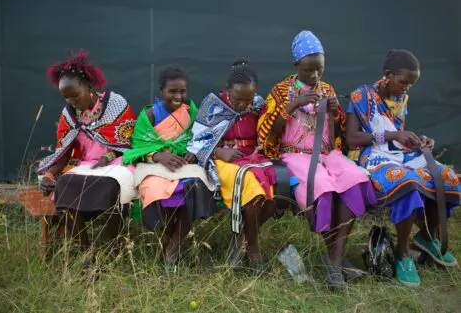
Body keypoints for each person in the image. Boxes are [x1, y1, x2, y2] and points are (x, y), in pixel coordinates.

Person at [257, 31, 375, 287]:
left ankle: (334, 257)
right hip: (295, 157)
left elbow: (338, 131)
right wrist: (292, 104)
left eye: (319, 70)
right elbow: (267, 131)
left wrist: (334, 114)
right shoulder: (280, 91)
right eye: (309, 71)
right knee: (322, 186)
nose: (315, 76)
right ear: (295, 66)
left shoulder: (327, 89)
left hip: (326, 154)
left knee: (355, 178)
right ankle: (336, 261)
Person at [346, 49, 460, 286]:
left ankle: (427, 238)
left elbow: (398, 133)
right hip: (371, 154)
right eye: (404, 82)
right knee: (406, 181)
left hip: (398, 152)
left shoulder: (401, 99)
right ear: (388, 75)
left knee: (448, 176)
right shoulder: (361, 96)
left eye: (412, 84)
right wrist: (393, 134)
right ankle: (402, 253)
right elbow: (352, 139)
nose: (407, 88)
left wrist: (418, 140)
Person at [38, 50, 137, 260]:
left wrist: (108, 157)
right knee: (64, 185)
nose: (71, 101)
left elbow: (128, 142)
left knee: (110, 186)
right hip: (85, 165)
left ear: (89, 86)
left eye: (75, 95)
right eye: (66, 97)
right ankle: (86, 251)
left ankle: (113, 250)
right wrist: (50, 175)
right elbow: (63, 151)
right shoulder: (69, 114)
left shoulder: (115, 104)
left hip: (116, 162)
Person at [122, 65, 216, 267]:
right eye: (172, 91)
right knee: (156, 190)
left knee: (194, 187)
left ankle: (173, 247)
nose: (178, 96)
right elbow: (137, 146)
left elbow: (200, 139)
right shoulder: (149, 115)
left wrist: (193, 153)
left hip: (184, 166)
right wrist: (158, 155)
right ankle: (167, 241)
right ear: (161, 90)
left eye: (182, 91)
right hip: (154, 166)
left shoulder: (191, 111)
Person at [187, 58, 276, 269]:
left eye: (249, 99)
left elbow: (266, 131)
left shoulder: (258, 103)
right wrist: (218, 151)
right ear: (228, 90)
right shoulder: (213, 104)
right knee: (248, 183)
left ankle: (241, 241)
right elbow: (197, 140)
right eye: (238, 100)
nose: (244, 105)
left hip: (252, 156)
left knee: (275, 186)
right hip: (223, 160)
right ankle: (253, 247)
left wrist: (261, 146)